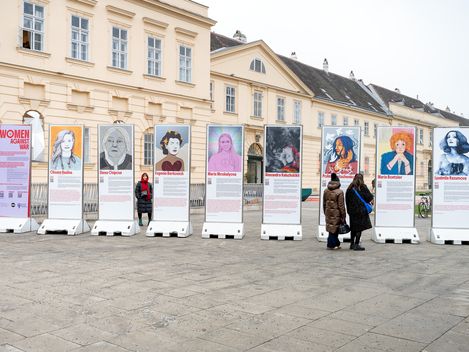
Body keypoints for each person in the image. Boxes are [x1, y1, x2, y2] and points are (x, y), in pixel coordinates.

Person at [345, 173, 374, 251]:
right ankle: (357, 244)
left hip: (352, 212)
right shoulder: (363, 187)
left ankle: (352, 244)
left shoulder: (350, 188)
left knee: (353, 228)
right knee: (359, 229)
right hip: (361, 211)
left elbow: (347, 201)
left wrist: (349, 211)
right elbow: (369, 198)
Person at [323, 173, 346, 250]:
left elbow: (324, 203)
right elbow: (341, 205)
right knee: (335, 229)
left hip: (328, 212)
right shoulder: (339, 192)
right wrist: (343, 215)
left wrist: (325, 212)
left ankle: (334, 243)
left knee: (331, 228)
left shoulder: (326, 191)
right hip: (336, 213)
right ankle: (332, 244)